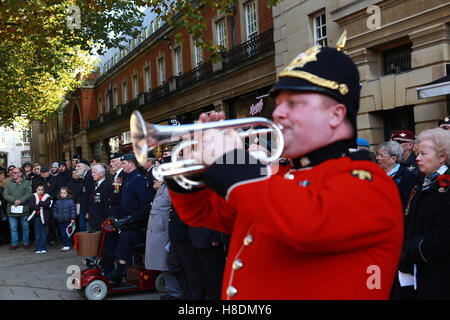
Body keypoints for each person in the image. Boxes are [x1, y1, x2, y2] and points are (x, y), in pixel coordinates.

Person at [167, 45, 404, 299]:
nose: (278, 112)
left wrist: (230, 160)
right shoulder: (279, 178)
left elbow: (306, 223)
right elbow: (204, 213)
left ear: (335, 115)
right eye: (279, 102)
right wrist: (193, 168)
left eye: (293, 102)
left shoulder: (371, 183)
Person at [392, 128, 450, 299]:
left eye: (423, 154)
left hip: (438, 273)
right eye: (417, 153)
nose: (417, 158)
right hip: (414, 270)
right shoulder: (421, 183)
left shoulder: (445, 188)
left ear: (442, 157)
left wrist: (409, 250)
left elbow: (444, 235)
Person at [107, 153, 150, 286]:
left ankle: (119, 273)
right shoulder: (127, 177)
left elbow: (144, 203)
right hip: (127, 219)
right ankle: (121, 271)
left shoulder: (137, 178)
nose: (122, 165)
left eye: (124, 163)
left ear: (131, 164)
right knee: (123, 240)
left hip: (136, 223)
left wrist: (133, 218)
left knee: (125, 239)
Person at [145, 179, 183, 300]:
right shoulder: (163, 186)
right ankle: (173, 291)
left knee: (167, 263)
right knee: (162, 263)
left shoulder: (172, 186)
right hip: (156, 229)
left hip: (164, 230)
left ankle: (177, 292)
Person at [376, 141, 418, 209]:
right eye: (377, 154)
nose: (377, 158)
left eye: (381, 156)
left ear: (393, 159)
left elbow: (405, 204)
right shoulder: (376, 174)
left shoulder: (407, 177)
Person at [3, 167, 32, 250]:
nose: (13, 174)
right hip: (12, 209)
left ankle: (26, 242)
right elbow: (5, 194)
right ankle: (14, 243)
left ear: (20, 174)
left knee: (25, 227)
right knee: (13, 228)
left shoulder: (26, 183)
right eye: (12, 172)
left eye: (15, 172)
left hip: (24, 208)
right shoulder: (8, 183)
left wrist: (20, 201)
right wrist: (14, 200)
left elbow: (29, 194)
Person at [87, 164, 112, 232]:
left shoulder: (106, 186)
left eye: (94, 172)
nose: (92, 174)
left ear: (101, 173)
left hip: (102, 221)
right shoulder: (94, 185)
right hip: (93, 220)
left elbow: (106, 205)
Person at [28, 184, 51, 254]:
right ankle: (38, 248)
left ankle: (44, 248)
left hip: (44, 217)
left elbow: (47, 204)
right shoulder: (33, 196)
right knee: (37, 234)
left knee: (43, 233)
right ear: (36, 190)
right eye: (38, 190)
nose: (40, 191)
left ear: (44, 190)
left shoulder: (47, 196)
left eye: (42, 190)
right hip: (37, 217)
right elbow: (32, 205)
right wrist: (40, 207)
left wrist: (39, 203)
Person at [52, 186, 76, 252]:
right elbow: (54, 210)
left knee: (68, 233)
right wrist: (56, 216)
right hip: (60, 220)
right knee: (62, 233)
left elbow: (73, 210)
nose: (62, 194)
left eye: (64, 193)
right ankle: (64, 244)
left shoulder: (70, 201)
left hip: (68, 220)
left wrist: (73, 218)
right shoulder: (57, 202)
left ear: (67, 194)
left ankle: (67, 245)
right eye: (61, 193)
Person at [74, 159, 94, 232]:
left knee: (88, 232)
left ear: (85, 167)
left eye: (78, 166)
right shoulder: (84, 178)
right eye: (76, 166)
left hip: (88, 211)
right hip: (84, 210)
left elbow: (91, 196)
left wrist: (88, 211)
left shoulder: (90, 177)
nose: (76, 168)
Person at [108, 152, 125, 219]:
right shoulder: (116, 175)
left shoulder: (122, 175)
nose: (110, 164)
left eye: (113, 161)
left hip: (119, 210)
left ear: (120, 162)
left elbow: (117, 192)